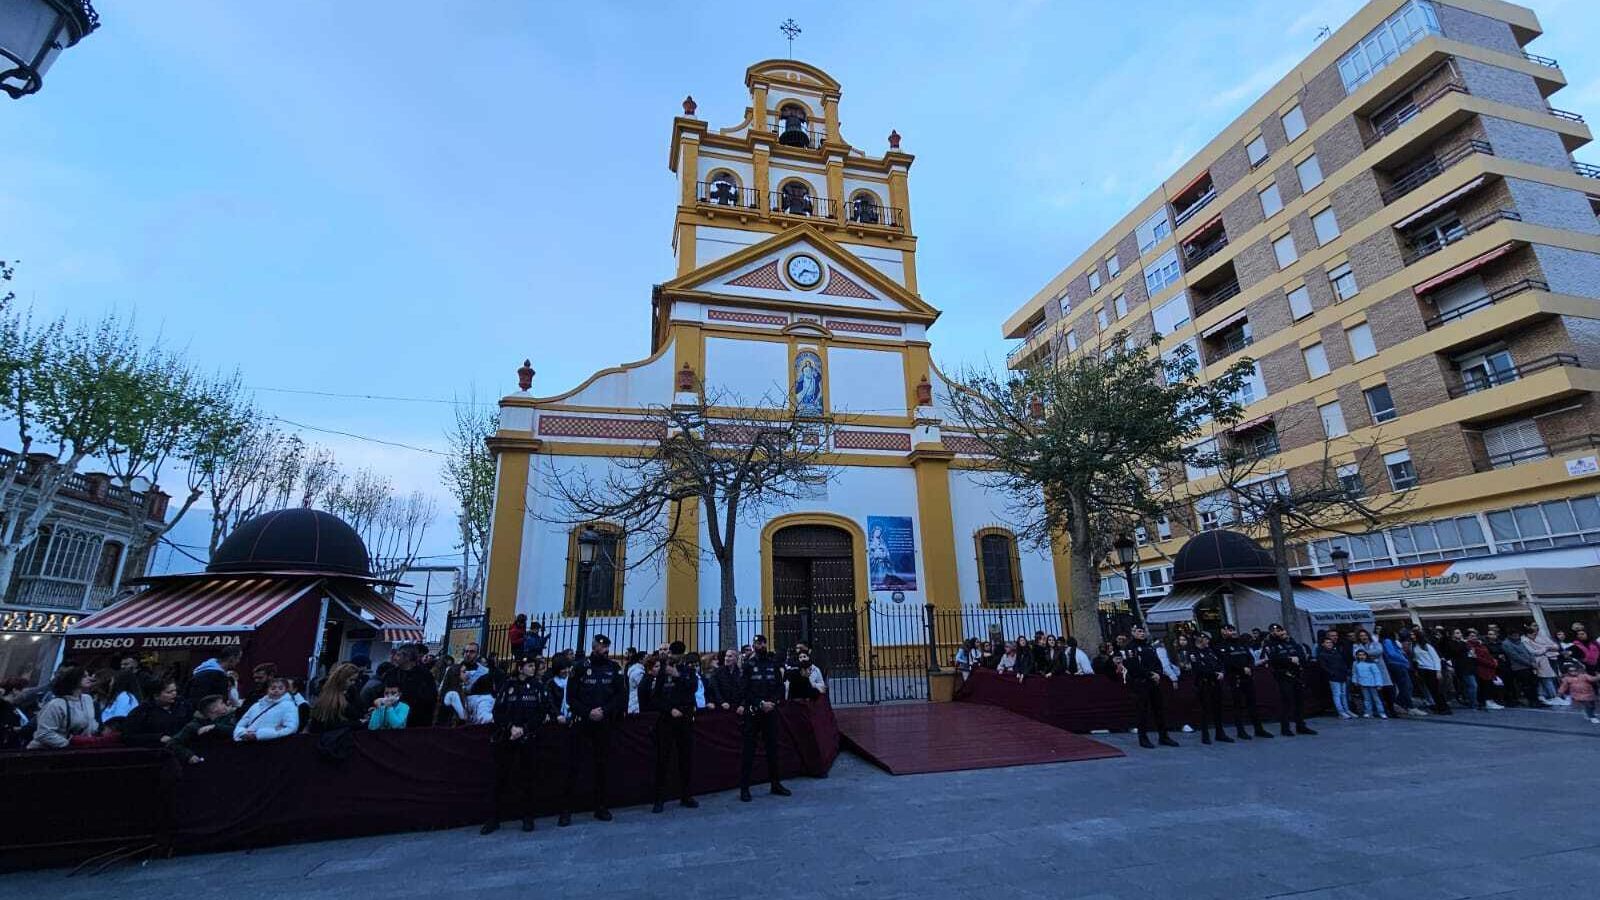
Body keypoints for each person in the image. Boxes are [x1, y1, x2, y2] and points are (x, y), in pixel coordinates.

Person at [561, 634, 626, 826]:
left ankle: (600, 806)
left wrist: (604, 711)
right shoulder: (579, 668)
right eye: (601, 647)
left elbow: (620, 695)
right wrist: (588, 712)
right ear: (594, 647)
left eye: (607, 647)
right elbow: (571, 697)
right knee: (574, 765)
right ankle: (566, 809)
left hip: (604, 723)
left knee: (602, 765)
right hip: (583, 722)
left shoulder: (614, 668)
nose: (605, 650)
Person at [482, 656, 551, 834]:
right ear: (520, 667)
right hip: (508, 737)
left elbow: (541, 711)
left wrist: (525, 729)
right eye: (529, 666)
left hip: (529, 737)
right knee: (500, 778)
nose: (532, 669)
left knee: (528, 779)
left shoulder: (538, 687)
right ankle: (494, 818)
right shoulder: (508, 686)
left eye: (533, 666)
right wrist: (511, 727)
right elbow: (498, 710)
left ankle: (528, 817)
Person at [644, 644, 700, 814]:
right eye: (670, 653)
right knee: (663, 759)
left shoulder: (688, 672)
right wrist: (669, 709)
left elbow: (692, 689)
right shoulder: (662, 672)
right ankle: (659, 798)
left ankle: (686, 795)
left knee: (686, 759)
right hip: (667, 721)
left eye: (675, 653)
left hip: (684, 720)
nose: (672, 656)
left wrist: (677, 676)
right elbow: (656, 698)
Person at [738, 634, 791, 801]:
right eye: (756, 643)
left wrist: (773, 702)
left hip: (770, 712)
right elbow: (744, 690)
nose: (759, 646)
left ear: (766, 644)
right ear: (753, 646)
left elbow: (779, 687)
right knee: (748, 751)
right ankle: (744, 788)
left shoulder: (772, 664)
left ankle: (775, 784)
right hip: (753, 713)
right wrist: (760, 703)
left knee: (773, 749)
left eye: (762, 643)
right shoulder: (748, 665)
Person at [1123, 625, 1177, 749]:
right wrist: (1149, 674)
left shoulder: (1149, 647)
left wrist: (1157, 673)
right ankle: (1143, 738)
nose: (1142, 634)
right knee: (1142, 711)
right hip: (1140, 683)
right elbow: (1133, 666)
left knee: (1159, 710)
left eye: (1143, 631)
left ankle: (1163, 736)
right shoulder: (1130, 648)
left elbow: (1157, 662)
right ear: (1133, 633)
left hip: (1154, 682)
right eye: (1139, 631)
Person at [1217, 624, 1272, 740]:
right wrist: (1241, 669)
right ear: (1223, 631)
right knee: (1238, 706)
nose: (1232, 632)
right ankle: (1240, 731)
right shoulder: (1221, 646)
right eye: (1229, 630)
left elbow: (1250, 658)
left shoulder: (1241, 644)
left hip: (1247, 678)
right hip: (1234, 678)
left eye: (1233, 630)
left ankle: (1259, 729)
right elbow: (1226, 662)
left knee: (1252, 704)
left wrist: (1249, 667)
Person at [1263, 624, 1317, 736]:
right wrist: (1289, 659)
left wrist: (1297, 659)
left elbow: (1301, 655)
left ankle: (1301, 725)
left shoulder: (1291, 642)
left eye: (1280, 630)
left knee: (1299, 701)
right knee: (1287, 701)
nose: (1279, 633)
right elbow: (1273, 659)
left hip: (1296, 675)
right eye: (1275, 631)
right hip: (1283, 675)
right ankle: (1285, 728)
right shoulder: (1270, 644)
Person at [27, 667, 99, 749]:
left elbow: (90, 723)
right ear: (73, 679)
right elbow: (44, 733)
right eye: (84, 676)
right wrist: (69, 744)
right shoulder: (56, 705)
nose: (89, 678)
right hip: (48, 752)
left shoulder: (87, 699)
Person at [1186, 633, 1231, 744]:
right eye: (1206, 639)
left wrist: (1222, 672)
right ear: (1201, 640)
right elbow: (1199, 668)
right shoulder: (1193, 653)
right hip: (1204, 683)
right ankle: (1205, 735)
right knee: (1205, 710)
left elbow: (1220, 662)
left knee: (1218, 709)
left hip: (1215, 683)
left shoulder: (1210, 651)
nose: (1208, 642)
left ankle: (1220, 733)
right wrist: (1215, 674)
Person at [169, 695, 237, 764]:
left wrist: (215, 727)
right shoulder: (194, 725)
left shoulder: (228, 719)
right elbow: (173, 743)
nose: (225, 705)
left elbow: (235, 731)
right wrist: (189, 755)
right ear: (213, 709)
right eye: (222, 703)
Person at [232, 675, 299, 742]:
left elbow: (291, 728)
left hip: (271, 744)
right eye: (273, 688)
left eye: (280, 688)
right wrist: (241, 733)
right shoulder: (257, 705)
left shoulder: (289, 706)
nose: (276, 691)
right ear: (267, 690)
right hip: (247, 742)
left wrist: (260, 735)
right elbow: (242, 723)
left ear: (286, 690)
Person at [384, 646, 437, 727]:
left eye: (398, 655)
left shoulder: (425, 675)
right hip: (394, 719)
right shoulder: (391, 674)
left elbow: (431, 698)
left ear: (408, 657)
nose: (395, 658)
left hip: (417, 720)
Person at [308, 663, 366, 733]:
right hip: (330, 738)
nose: (353, 683)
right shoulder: (330, 699)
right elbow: (331, 725)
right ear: (342, 679)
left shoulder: (350, 692)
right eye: (351, 680)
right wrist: (358, 723)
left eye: (355, 680)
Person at [1411, 631, 1452, 715]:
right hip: (1423, 669)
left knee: (1436, 690)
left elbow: (1436, 658)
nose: (1412, 637)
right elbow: (1415, 658)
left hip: (1431, 669)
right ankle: (1438, 706)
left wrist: (1438, 671)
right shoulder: (1414, 646)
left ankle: (1443, 707)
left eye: (1413, 635)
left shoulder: (1427, 646)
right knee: (1431, 690)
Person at [1316, 634, 1354, 719]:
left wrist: (1345, 671)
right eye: (1327, 642)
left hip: (1342, 675)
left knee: (1344, 694)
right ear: (1323, 644)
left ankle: (1347, 710)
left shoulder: (1336, 652)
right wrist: (1332, 673)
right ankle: (1341, 712)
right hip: (1333, 677)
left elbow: (1342, 662)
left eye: (1330, 642)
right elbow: (1323, 667)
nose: (1329, 644)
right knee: (1337, 694)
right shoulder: (1322, 654)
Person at [1522, 625, 1562, 705]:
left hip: (1544, 660)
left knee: (1545, 679)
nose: (1535, 636)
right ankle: (1553, 696)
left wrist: (1545, 648)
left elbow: (1555, 647)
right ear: (1528, 634)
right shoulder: (1525, 641)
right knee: (1546, 680)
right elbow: (1534, 652)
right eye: (1533, 634)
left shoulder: (1533, 639)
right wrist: (1546, 648)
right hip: (1538, 662)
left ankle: (1543, 695)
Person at [1467, 633, 1503, 710]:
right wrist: (1491, 663)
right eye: (1471, 636)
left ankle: (1490, 700)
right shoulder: (1469, 646)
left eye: (1475, 636)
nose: (1474, 637)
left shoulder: (1481, 645)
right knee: (1485, 685)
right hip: (1481, 668)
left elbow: (1488, 655)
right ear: (1467, 637)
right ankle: (1486, 701)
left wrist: (1493, 661)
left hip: (1489, 667)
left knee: (1490, 685)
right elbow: (1476, 658)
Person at [1351, 650, 1388, 718]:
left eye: (1363, 655)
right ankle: (1368, 712)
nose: (1361, 656)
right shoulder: (1356, 664)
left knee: (1376, 699)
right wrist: (1355, 681)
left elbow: (1377, 674)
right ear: (1357, 656)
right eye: (1359, 655)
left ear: (1366, 656)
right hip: (1362, 684)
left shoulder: (1371, 664)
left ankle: (1381, 712)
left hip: (1372, 684)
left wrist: (1379, 683)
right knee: (1366, 699)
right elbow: (1355, 673)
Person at [625, 650, 647, 716]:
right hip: (636, 704)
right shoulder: (638, 672)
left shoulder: (637, 670)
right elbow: (643, 686)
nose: (648, 660)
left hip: (635, 702)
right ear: (640, 660)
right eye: (646, 658)